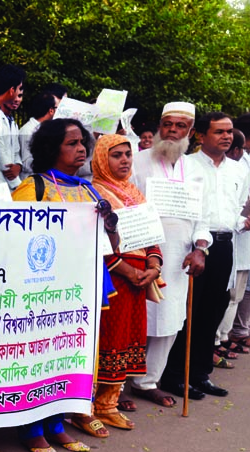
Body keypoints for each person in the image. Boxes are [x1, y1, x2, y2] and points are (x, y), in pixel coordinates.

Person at [12, 118, 118, 452]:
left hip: (82, 287)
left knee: (70, 357)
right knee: (42, 357)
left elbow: (108, 241)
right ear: (51, 147)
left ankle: (57, 423)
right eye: (71, 143)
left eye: (82, 142)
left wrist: (111, 222)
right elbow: (17, 238)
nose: (81, 149)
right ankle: (32, 428)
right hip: (46, 289)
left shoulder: (89, 190)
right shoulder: (33, 187)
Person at [161, 112, 250, 399]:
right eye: (219, 132)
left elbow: (238, 208)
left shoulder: (238, 170)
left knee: (213, 310)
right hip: (192, 246)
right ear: (201, 135)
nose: (226, 136)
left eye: (229, 132)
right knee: (189, 311)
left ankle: (200, 373)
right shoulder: (185, 165)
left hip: (226, 244)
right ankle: (174, 374)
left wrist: (242, 222)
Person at [127, 102, 210, 406]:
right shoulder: (135, 161)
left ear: (190, 132)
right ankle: (116, 384)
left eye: (180, 126)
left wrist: (201, 247)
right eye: (167, 124)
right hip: (138, 251)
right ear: (160, 125)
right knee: (134, 318)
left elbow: (204, 215)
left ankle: (147, 382)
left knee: (169, 319)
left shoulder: (196, 169)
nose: (172, 131)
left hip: (179, 257)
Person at [90, 134, 163, 429]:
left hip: (139, 278)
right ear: (101, 159)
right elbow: (97, 242)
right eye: (116, 155)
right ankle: (90, 407)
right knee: (108, 340)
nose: (124, 160)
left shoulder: (134, 192)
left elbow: (152, 234)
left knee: (129, 339)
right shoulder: (94, 193)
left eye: (128, 155)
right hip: (113, 279)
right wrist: (128, 271)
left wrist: (154, 265)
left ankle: (109, 403)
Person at [212, 128, 250, 365]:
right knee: (225, 297)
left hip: (238, 239)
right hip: (215, 243)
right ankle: (216, 342)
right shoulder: (195, 167)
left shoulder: (239, 169)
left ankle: (221, 340)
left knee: (233, 297)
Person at [0, 64, 25, 190]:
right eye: (19, 89)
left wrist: (18, 165)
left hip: (6, 183)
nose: (18, 96)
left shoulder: (10, 120)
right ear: (12, 90)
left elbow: (16, 150)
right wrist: (17, 183)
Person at [19, 92, 60, 177]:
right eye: (58, 108)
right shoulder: (28, 130)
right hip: (32, 179)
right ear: (51, 110)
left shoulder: (49, 128)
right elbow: (26, 163)